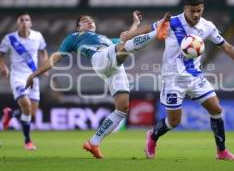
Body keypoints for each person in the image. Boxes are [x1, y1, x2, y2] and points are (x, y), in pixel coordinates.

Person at [124, 0, 234, 161]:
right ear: (185, 8)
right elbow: (148, 29)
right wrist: (128, 36)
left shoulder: (207, 26)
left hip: (195, 77)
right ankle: (152, 137)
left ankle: (221, 151)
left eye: (199, 11)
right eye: (192, 11)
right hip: (173, 79)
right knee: (174, 122)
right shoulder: (172, 22)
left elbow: (225, 46)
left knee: (216, 109)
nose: (196, 14)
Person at [25, 11, 170, 159]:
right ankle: (158, 31)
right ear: (78, 28)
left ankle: (93, 143)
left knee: (122, 109)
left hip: (114, 67)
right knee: (124, 47)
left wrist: (136, 24)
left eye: (91, 20)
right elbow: (55, 58)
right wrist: (33, 74)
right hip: (100, 59)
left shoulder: (105, 39)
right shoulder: (74, 38)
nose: (90, 22)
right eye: (85, 21)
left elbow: (127, 38)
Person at [0, 12, 48, 150]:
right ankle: (28, 141)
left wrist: (45, 64)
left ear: (31, 23)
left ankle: (10, 114)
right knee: (26, 106)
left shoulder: (37, 36)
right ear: (18, 23)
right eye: (22, 20)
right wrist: (3, 66)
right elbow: (0, 55)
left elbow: (43, 51)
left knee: (31, 113)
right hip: (18, 77)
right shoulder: (9, 38)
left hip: (33, 76)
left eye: (27, 20)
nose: (25, 22)